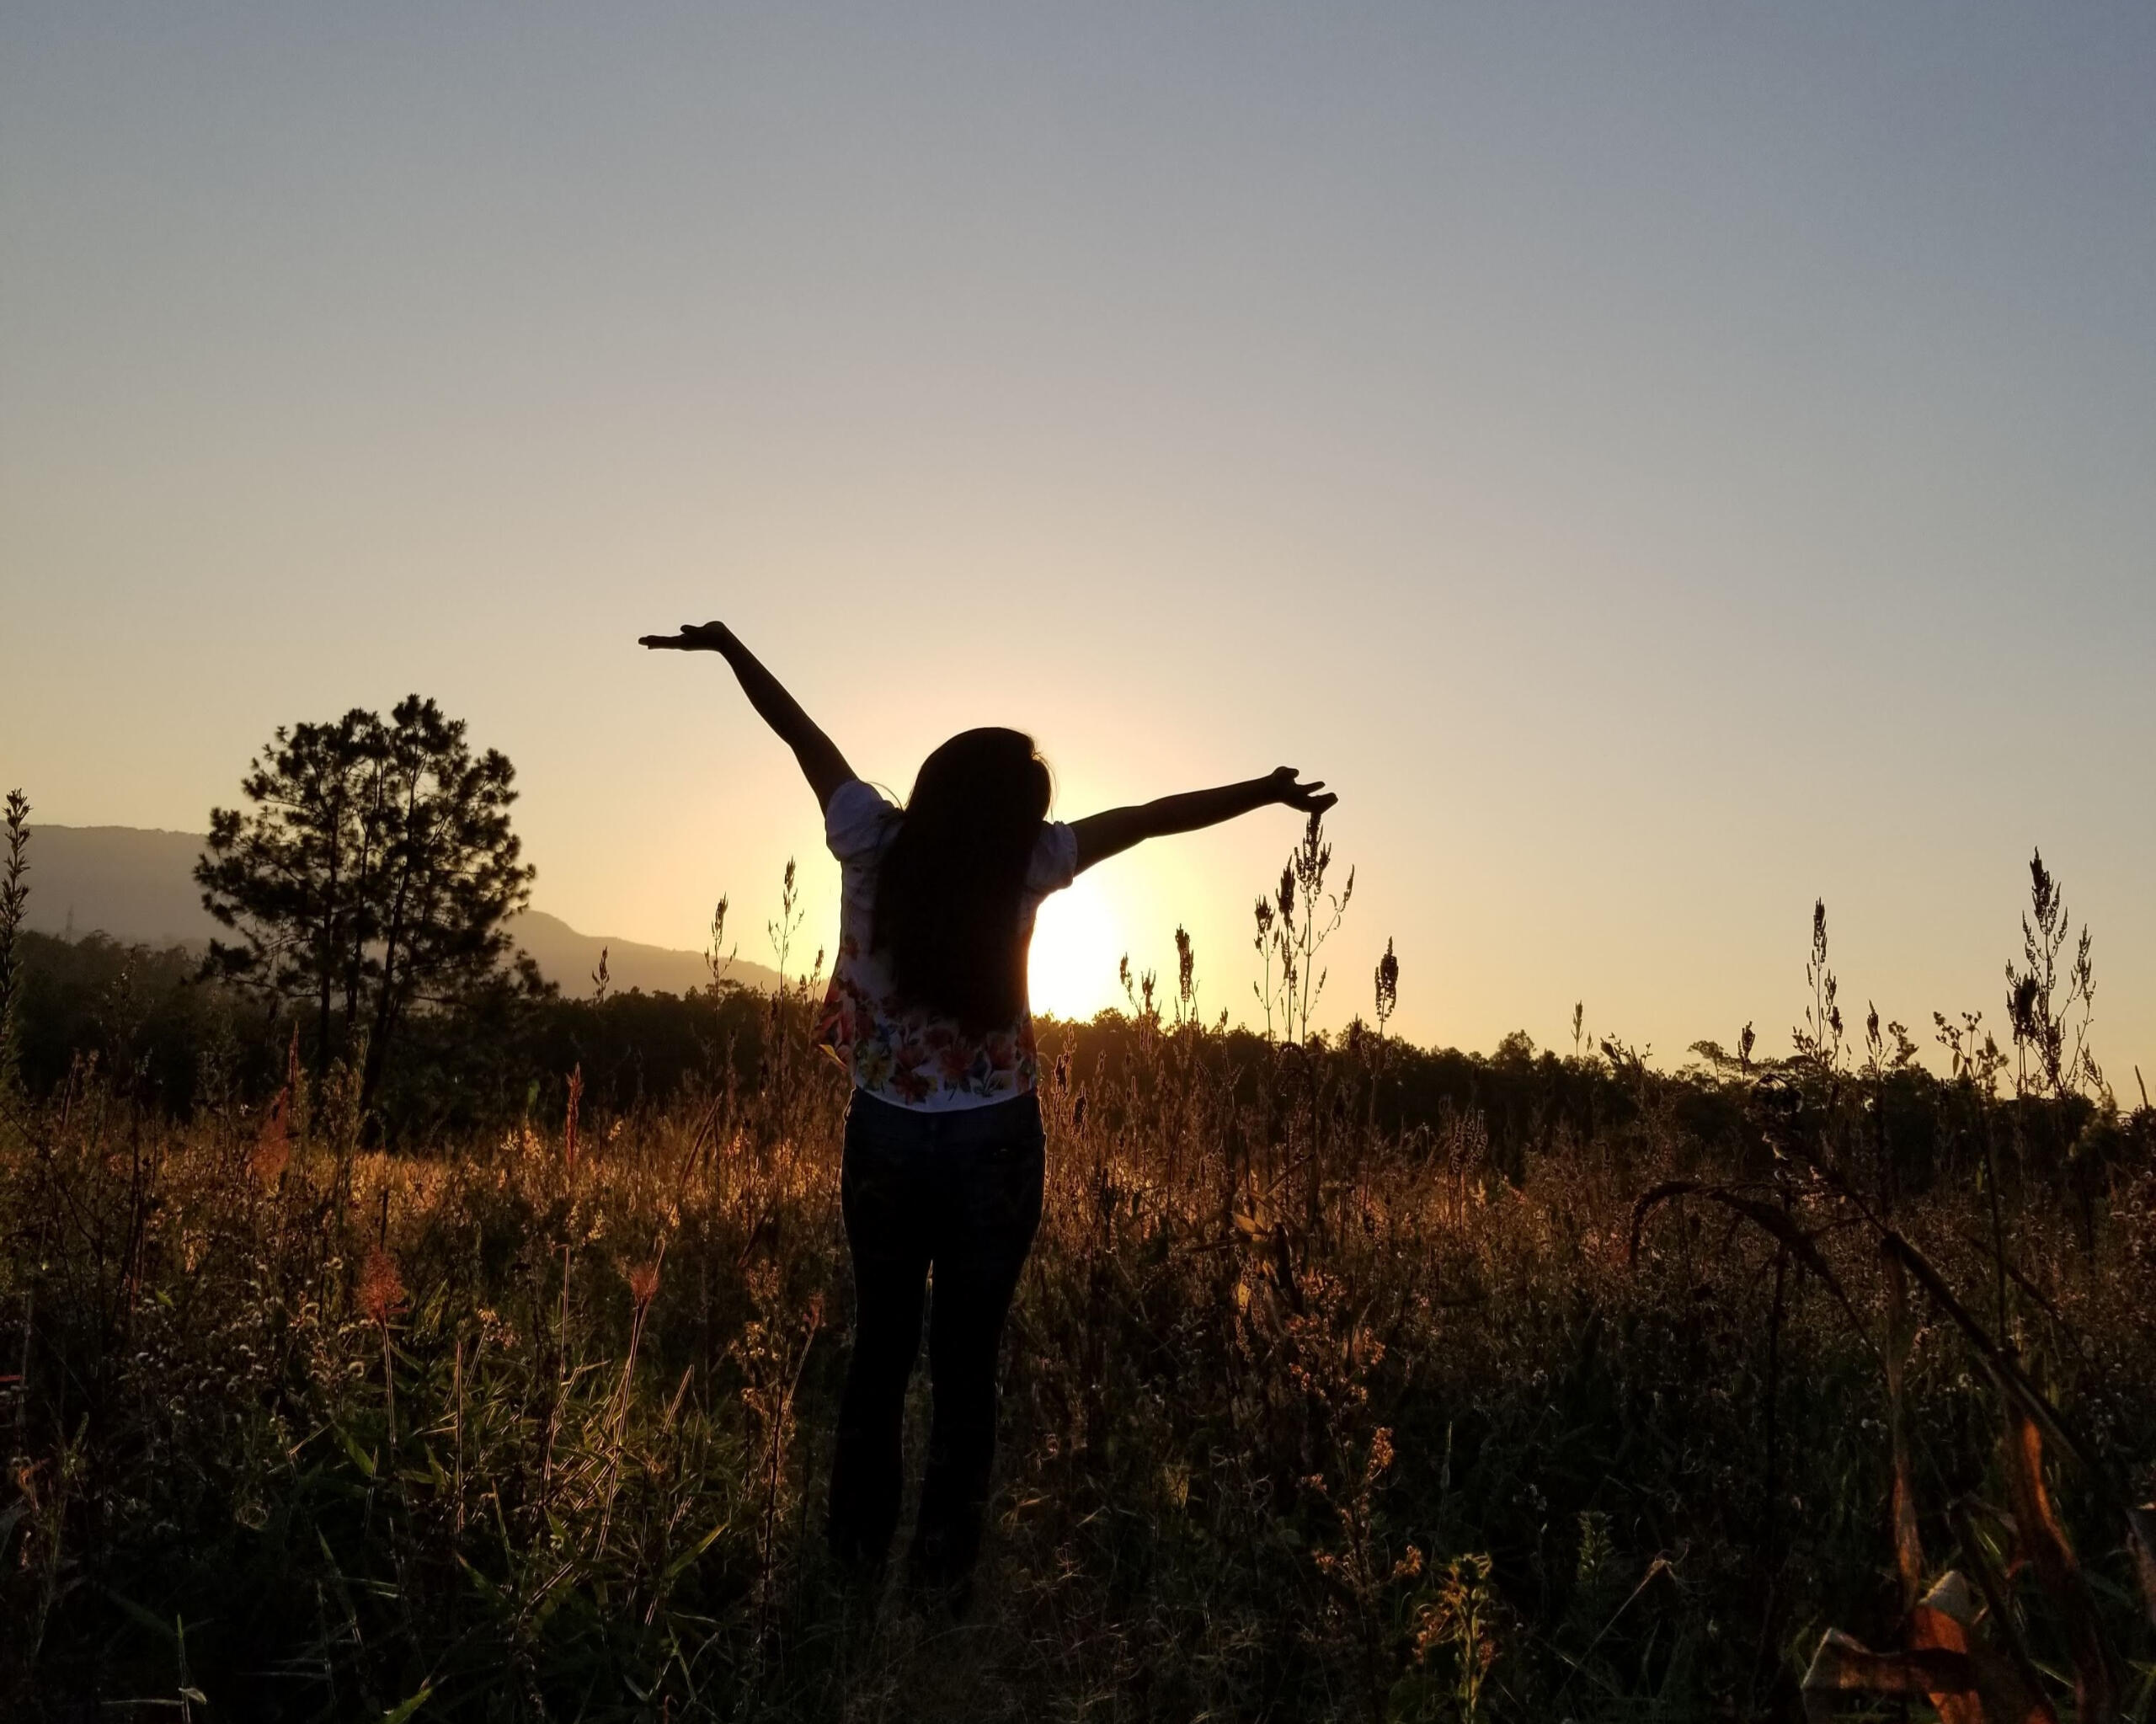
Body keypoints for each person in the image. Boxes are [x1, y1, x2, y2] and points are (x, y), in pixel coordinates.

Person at [638, 619, 1335, 1605]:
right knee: (967, 1363)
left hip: (884, 1128)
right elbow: (1146, 815)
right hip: (996, 1142)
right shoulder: (1029, 865)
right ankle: (942, 1581)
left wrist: (728, 648)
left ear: (934, 781)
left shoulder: (868, 837)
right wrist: (1263, 793)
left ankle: (850, 1565)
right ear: (1021, 813)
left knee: (881, 1351)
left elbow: (802, 733)